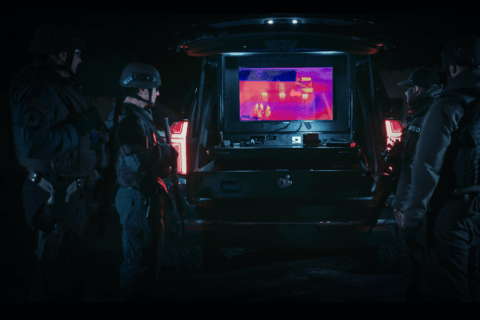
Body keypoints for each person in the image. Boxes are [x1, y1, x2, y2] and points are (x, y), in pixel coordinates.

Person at [9, 23, 108, 302]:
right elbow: (34, 144)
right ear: (60, 54)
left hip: (66, 193)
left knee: (68, 272)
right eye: (76, 52)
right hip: (53, 195)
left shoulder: (58, 85)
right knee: (58, 272)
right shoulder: (38, 87)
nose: (80, 59)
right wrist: (75, 129)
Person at [404, 35, 480, 302]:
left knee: (451, 289)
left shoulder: (447, 106)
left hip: (453, 210)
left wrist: (413, 218)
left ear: (453, 67)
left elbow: (426, 167)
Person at [115, 62, 178, 302]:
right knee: (139, 264)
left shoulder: (140, 117)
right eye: (154, 88)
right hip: (136, 197)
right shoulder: (130, 119)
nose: (158, 93)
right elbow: (137, 162)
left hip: (143, 196)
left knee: (148, 262)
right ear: (141, 90)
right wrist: (164, 152)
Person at [390, 68, 442, 302]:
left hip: (423, 205)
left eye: (408, 89)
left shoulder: (421, 120)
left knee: (422, 260)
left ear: (417, 89)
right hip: (447, 202)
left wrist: (400, 204)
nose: (406, 94)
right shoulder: (444, 112)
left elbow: (411, 166)